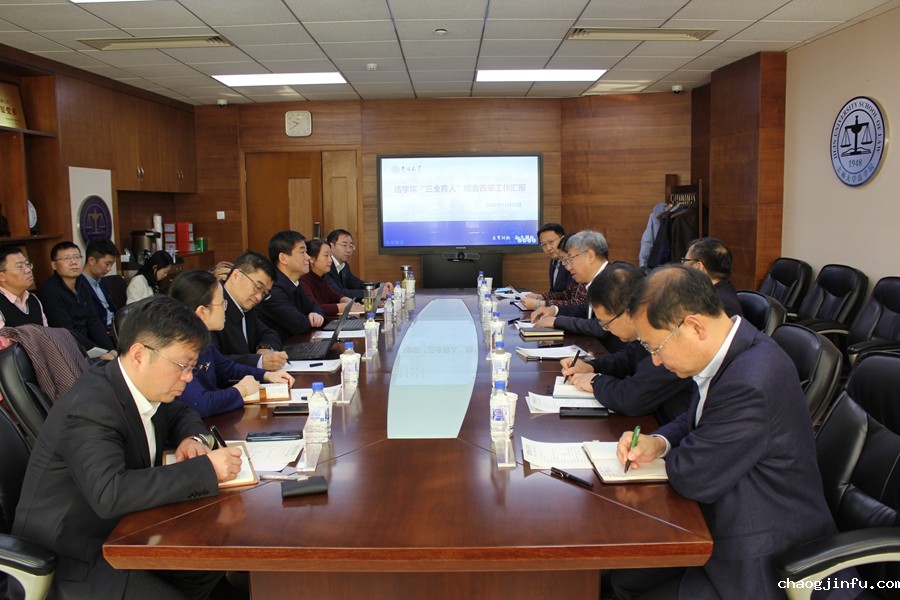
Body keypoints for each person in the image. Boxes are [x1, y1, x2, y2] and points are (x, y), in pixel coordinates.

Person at [610, 265, 845, 599]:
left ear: (694, 326)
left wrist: (677, 455)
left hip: (761, 556)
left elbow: (693, 476)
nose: (656, 362)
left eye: (655, 348)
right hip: (719, 517)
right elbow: (699, 417)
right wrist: (659, 442)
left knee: (624, 580)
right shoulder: (733, 351)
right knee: (620, 578)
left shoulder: (749, 380)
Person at [12, 295, 244, 600]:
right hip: (77, 558)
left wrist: (194, 439)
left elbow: (181, 412)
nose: (188, 378)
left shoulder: (140, 385)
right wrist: (207, 470)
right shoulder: (90, 408)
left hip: (125, 530)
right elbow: (110, 493)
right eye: (182, 366)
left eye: (192, 367)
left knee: (211, 565)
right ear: (139, 355)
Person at [560, 262, 693, 425]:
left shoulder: (671, 340)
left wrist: (595, 382)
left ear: (629, 313)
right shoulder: (647, 335)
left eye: (605, 323)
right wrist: (591, 367)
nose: (606, 329)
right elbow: (629, 357)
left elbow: (631, 398)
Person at [170, 270, 294, 418]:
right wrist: (241, 390)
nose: (225, 308)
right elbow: (201, 404)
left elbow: (227, 368)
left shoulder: (202, 340)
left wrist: (266, 375)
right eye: (222, 303)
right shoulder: (176, 350)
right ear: (202, 312)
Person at [530, 231, 623, 351]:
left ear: (590, 256)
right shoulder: (597, 280)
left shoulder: (614, 279)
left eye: (570, 260)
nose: (568, 267)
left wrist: (557, 321)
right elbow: (583, 310)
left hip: (611, 354)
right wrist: (554, 310)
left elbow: (601, 326)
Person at [38, 241, 116, 359]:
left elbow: (93, 321)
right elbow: (66, 331)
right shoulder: (50, 291)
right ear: (54, 265)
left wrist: (110, 349)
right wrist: (100, 353)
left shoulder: (82, 284)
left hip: (90, 347)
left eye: (77, 257)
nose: (73, 262)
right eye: (66, 258)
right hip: (68, 351)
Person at [213, 251, 287, 370]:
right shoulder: (212, 307)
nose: (259, 297)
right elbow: (214, 361)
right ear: (236, 275)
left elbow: (268, 333)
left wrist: (265, 348)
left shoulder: (246, 307)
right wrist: (258, 361)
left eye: (264, 293)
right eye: (258, 287)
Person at [258, 230, 326, 342]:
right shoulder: (273, 288)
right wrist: (313, 320)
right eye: (302, 252)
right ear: (283, 258)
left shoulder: (293, 282)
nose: (308, 257)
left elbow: (313, 305)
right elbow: (299, 324)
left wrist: (317, 314)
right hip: (278, 349)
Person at [681, 237, 743, 318]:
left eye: (685, 260)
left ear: (698, 267)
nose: (683, 265)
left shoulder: (719, 306)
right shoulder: (712, 291)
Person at [300, 238, 363, 317]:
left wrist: (346, 300)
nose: (330, 260)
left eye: (330, 256)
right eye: (326, 256)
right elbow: (314, 308)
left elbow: (335, 296)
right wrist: (344, 307)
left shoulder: (322, 277)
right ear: (311, 259)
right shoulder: (303, 280)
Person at [325, 228, 393, 300]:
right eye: (344, 245)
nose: (349, 250)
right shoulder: (326, 267)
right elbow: (339, 293)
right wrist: (371, 293)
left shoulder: (344, 265)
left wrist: (381, 285)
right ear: (331, 246)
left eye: (351, 246)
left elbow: (357, 284)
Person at [0, 245, 47, 328]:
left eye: (27, 264)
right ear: (2, 276)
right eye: (20, 267)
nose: (28, 270)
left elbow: (46, 332)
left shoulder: (33, 299)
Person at [82, 238, 120, 329]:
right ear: (91, 260)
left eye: (112, 264)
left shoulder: (103, 282)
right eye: (107, 264)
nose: (109, 269)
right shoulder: (79, 285)